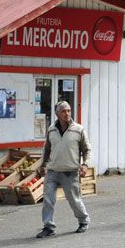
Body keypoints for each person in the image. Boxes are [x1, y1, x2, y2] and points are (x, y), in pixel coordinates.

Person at [36, 101, 92, 238]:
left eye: (68, 110)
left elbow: (87, 150)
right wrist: (43, 165)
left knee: (73, 199)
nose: (67, 113)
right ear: (57, 114)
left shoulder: (78, 129)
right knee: (48, 199)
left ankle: (83, 220)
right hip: (53, 171)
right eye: (63, 111)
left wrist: (85, 165)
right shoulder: (51, 130)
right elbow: (47, 149)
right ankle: (48, 227)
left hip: (70, 172)